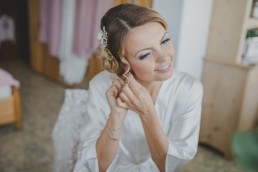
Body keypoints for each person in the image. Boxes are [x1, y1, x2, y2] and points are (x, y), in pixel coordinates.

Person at [73, 3, 203, 172]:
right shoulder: (101, 86)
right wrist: (117, 115)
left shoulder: (189, 89)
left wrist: (147, 111)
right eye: (145, 54)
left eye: (164, 40)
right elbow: (98, 166)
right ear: (122, 61)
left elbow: (169, 166)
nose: (164, 58)